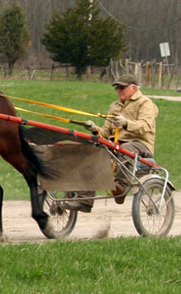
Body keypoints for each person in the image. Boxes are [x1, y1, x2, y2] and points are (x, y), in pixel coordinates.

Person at [65, 73, 159, 212]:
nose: (119, 91)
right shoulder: (114, 106)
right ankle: (84, 200)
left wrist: (126, 123)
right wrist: (95, 129)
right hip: (115, 144)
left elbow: (145, 126)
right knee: (92, 152)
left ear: (134, 88)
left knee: (125, 148)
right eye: (117, 88)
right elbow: (106, 132)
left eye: (122, 88)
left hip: (140, 143)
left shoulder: (145, 103)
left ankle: (120, 187)